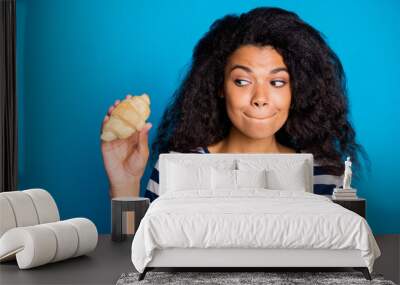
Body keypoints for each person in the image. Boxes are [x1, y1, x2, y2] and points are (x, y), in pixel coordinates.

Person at [101, 7, 367, 201]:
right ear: (219, 86)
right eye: (242, 81)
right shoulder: (179, 167)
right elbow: (137, 257)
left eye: (277, 82)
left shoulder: (322, 174)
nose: (260, 98)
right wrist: (124, 185)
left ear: (297, 90)